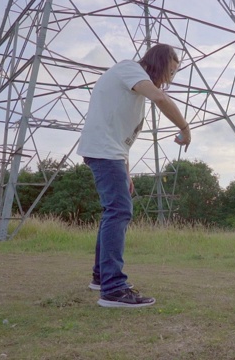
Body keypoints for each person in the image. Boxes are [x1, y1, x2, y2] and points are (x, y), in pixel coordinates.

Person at [77, 44, 191, 308]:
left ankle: (100, 277)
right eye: (170, 71)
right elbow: (160, 98)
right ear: (159, 62)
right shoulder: (130, 69)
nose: (170, 79)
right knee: (118, 211)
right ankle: (113, 289)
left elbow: (121, 137)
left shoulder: (132, 86)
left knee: (113, 211)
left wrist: (126, 171)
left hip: (111, 152)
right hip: (103, 150)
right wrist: (185, 128)